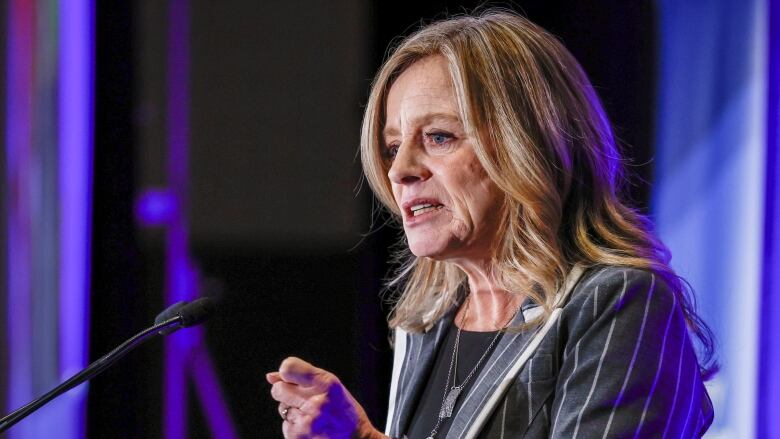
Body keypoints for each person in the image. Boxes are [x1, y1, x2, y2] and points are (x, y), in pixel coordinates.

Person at [267, 10, 715, 439]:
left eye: (439, 137)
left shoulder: (616, 302)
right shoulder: (429, 322)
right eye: (392, 146)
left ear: (530, 144)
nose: (399, 170)